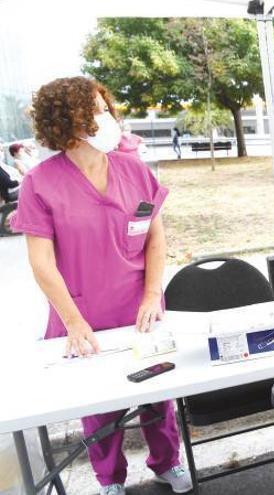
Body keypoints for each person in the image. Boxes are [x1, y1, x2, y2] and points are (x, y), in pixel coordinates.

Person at [10, 77, 192, 495]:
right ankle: (110, 479)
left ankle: (167, 461)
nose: (107, 116)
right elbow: (42, 264)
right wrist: (73, 322)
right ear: (67, 121)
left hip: (139, 306)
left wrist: (151, 293)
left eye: (104, 107)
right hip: (82, 312)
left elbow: (155, 237)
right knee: (99, 407)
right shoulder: (40, 184)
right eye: (94, 110)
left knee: (156, 393)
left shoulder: (134, 170)